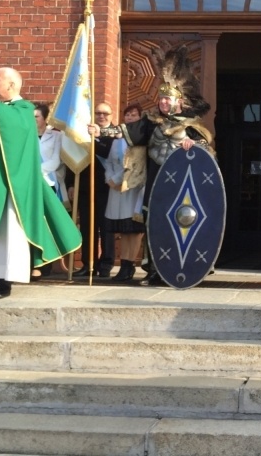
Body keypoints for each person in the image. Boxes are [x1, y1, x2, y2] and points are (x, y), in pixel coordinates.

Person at [0, 67, 82, 299]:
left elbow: (11, 127)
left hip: (12, 184)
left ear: (11, 85)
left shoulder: (24, 109)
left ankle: (4, 282)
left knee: (9, 232)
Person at [109, 45, 214, 286]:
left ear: (179, 101)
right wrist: (102, 130)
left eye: (168, 98)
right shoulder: (150, 123)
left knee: (183, 225)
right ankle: (154, 270)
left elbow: (207, 152)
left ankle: (187, 267)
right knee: (154, 227)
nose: (163, 102)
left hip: (183, 188)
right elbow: (125, 131)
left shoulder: (191, 127)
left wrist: (194, 145)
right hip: (156, 184)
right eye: (162, 98)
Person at [66, 101, 116, 277]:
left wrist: (95, 137)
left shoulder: (116, 134)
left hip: (107, 188)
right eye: (98, 113)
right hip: (86, 187)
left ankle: (106, 264)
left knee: (106, 227)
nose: (101, 116)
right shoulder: (83, 133)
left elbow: (107, 152)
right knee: (87, 227)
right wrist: (71, 183)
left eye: (105, 113)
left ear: (112, 115)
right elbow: (72, 157)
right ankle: (88, 263)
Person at [104, 103, 147, 282]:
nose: (130, 118)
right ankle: (123, 264)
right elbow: (110, 162)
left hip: (133, 187)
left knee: (134, 229)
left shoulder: (140, 139)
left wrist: (119, 178)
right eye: (127, 115)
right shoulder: (118, 140)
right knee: (123, 229)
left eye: (134, 115)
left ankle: (130, 264)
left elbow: (135, 164)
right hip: (116, 188)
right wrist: (109, 178)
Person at [33, 102, 67, 278]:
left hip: (48, 183)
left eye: (37, 116)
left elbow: (56, 161)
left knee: (47, 224)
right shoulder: (26, 135)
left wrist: (34, 172)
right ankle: (33, 263)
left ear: (45, 119)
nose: (33, 120)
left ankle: (47, 264)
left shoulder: (55, 136)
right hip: (30, 185)